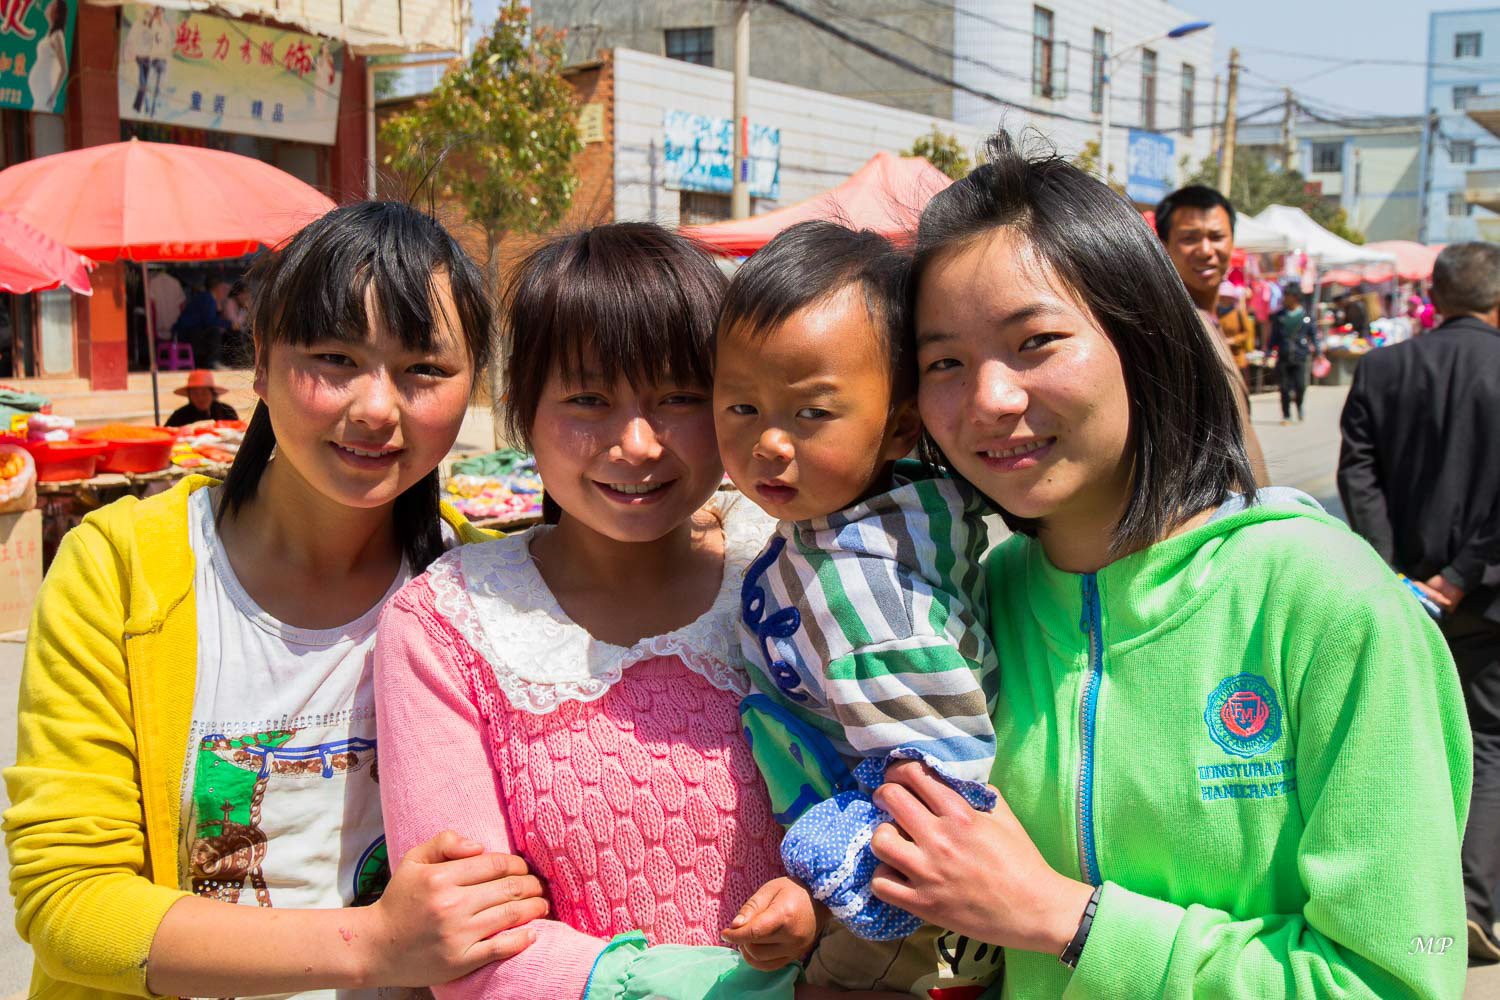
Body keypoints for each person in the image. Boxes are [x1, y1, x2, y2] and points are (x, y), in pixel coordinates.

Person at [859, 133, 1469, 999]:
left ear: (1141, 339)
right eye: (944, 362)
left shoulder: (1329, 602)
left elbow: (1393, 981)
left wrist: (1062, 920)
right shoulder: (973, 607)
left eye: (1034, 341)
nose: (990, 399)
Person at [5, 202, 547, 1000]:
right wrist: (372, 946)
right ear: (259, 364)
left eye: (424, 370)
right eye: (333, 358)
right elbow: (69, 902)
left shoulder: (486, 585)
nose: (375, 407)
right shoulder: (120, 571)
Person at [375, 223, 833, 1000]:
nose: (637, 444)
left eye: (679, 398)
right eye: (588, 399)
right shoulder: (448, 625)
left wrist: (829, 910)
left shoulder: (798, 570)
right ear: (524, 411)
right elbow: (467, 951)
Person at [713, 221, 1000, 997]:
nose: (769, 443)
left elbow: (944, 781)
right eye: (741, 407)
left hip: (893, 923)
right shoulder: (850, 519)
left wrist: (836, 886)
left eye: (810, 414)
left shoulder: (870, 597)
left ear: (900, 423)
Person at [1337, 240, 1500, 963]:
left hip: (1400, 594)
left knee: (1412, 741)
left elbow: (1358, 471)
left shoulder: (1383, 367)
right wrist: (1462, 574)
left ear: (1433, 297)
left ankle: (1407, 904)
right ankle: (1468, 904)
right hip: (1487, 597)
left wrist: (1390, 569)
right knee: (1490, 741)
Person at [1153, 185, 1267, 483]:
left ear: (1232, 242)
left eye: (1216, 237)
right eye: (1190, 238)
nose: (1206, 250)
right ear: (1163, 245)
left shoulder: (1206, 321)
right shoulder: (1174, 326)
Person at [1266, 282, 1320, 423]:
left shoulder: (1306, 316)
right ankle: (1286, 415)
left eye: (1287, 295)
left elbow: (1313, 335)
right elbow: (1274, 337)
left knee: (1301, 385)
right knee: (1284, 388)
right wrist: (1268, 351)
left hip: (1300, 355)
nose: (1284, 298)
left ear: (1295, 297)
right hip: (1283, 355)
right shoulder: (1279, 316)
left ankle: (1299, 405)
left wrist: (1319, 352)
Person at [174, 277, 234, 369]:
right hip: (186, 332)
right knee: (214, 331)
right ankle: (213, 362)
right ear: (216, 288)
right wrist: (229, 324)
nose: (225, 292)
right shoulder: (207, 298)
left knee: (216, 330)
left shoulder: (209, 298)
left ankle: (213, 361)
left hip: (192, 331)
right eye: (223, 288)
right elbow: (209, 321)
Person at [27, 0, 67, 112]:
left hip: (45, 90)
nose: (48, 6)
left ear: (57, 13)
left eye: (51, 5)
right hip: (39, 91)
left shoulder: (58, 36)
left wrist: (54, 95)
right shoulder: (50, 33)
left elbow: (64, 69)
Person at [165, 368, 240, 427]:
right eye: (195, 394)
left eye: (204, 392)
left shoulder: (227, 412)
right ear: (189, 396)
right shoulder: (179, 416)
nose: (200, 397)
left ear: (212, 393)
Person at [1215, 280, 1256, 377]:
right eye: (1222, 297)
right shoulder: (1215, 313)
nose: (1224, 300)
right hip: (1220, 357)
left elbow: (1248, 333)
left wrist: (1234, 340)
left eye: (1226, 297)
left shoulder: (1239, 313)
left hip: (1237, 358)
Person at [148, 267, 187, 344]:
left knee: (160, 349)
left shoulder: (152, 283)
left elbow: (150, 304)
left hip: (159, 325)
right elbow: (183, 304)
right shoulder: (176, 282)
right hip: (174, 326)